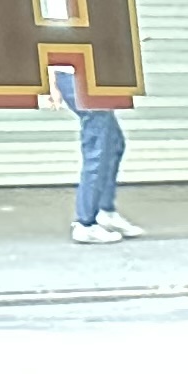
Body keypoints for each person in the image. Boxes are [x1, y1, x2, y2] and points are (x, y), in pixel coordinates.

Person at [55, 61, 134, 246]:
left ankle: (104, 211)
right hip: (79, 73)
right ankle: (86, 224)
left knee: (113, 143)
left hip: (91, 72)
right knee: (99, 149)